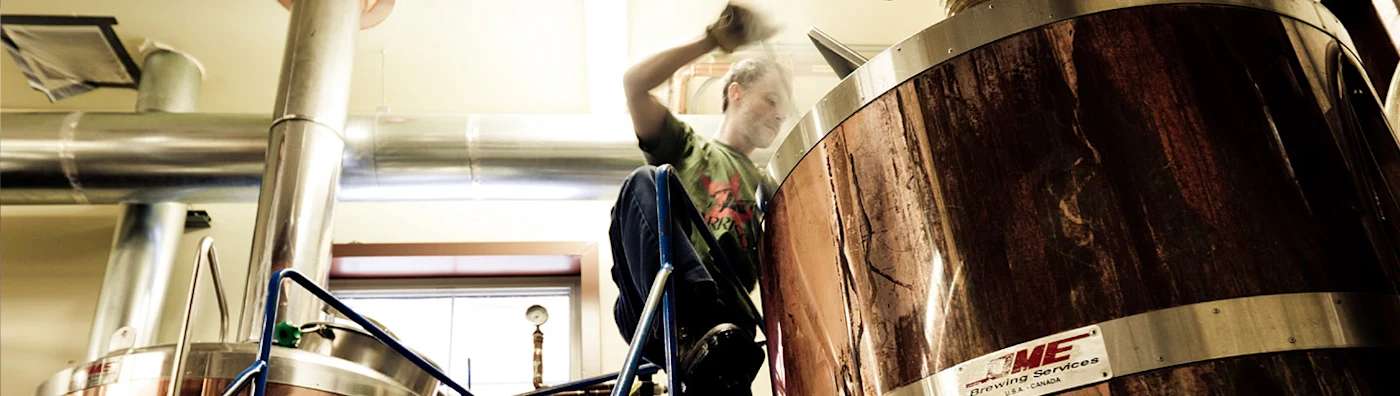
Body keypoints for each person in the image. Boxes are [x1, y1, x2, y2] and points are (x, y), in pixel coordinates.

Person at [608, 3, 789, 395]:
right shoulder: (689, 148)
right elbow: (634, 84)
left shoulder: (769, 186)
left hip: (729, 336)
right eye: (771, 100)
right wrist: (712, 39)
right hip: (661, 309)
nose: (779, 116)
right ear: (735, 93)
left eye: (783, 109)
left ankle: (706, 342)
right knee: (644, 183)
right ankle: (691, 324)